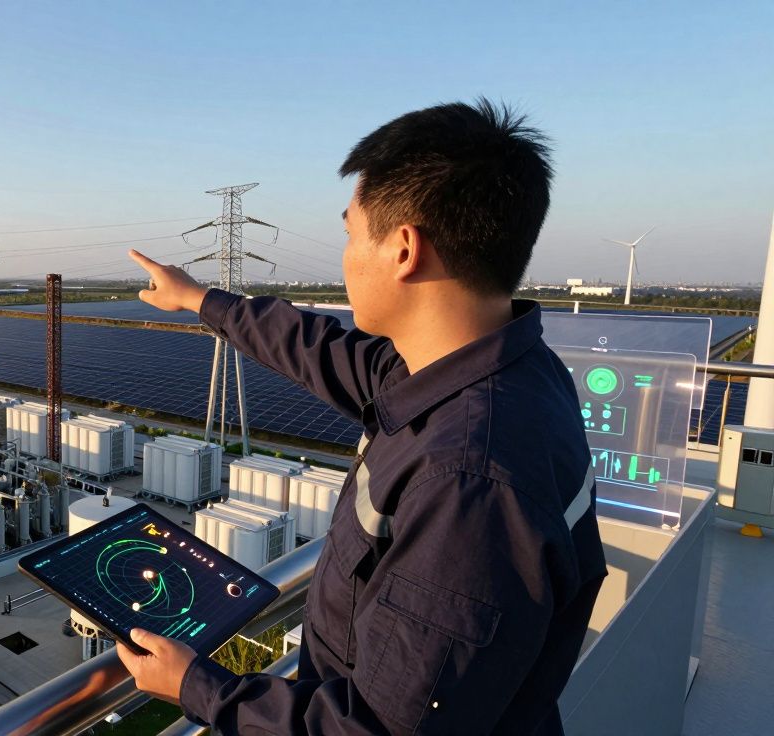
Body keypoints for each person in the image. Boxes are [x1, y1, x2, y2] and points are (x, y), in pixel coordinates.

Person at [116, 99, 607, 735]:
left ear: (404, 249)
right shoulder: (503, 370)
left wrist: (200, 688)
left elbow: (377, 729)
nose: (345, 254)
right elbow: (318, 349)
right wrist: (200, 299)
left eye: (351, 233)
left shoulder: (469, 480)